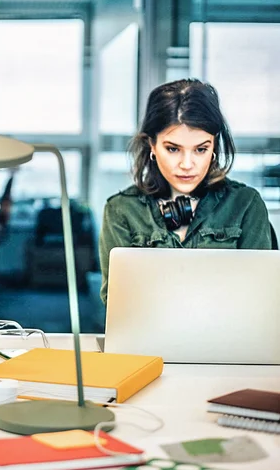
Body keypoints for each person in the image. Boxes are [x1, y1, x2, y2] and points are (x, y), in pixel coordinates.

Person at [99, 78, 271, 306]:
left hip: (229, 342)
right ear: (152, 144)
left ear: (214, 146)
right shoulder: (121, 210)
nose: (187, 164)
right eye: (173, 149)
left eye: (201, 149)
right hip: (150, 341)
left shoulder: (246, 205)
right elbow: (117, 305)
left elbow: (261, 298)